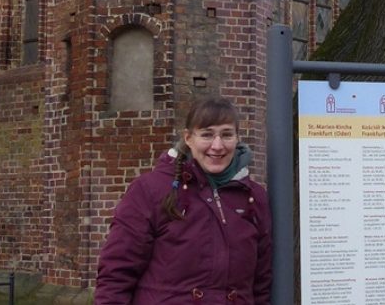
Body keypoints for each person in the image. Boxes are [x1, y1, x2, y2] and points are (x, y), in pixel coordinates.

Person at [96, 96, 272, 304]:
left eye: (226, 135)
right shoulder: (151, 190)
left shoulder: (253, 197)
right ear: (188, 138)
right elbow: (116, 273)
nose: (217, 145)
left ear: (237, 138)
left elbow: (262, 284)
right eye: (207, 135)